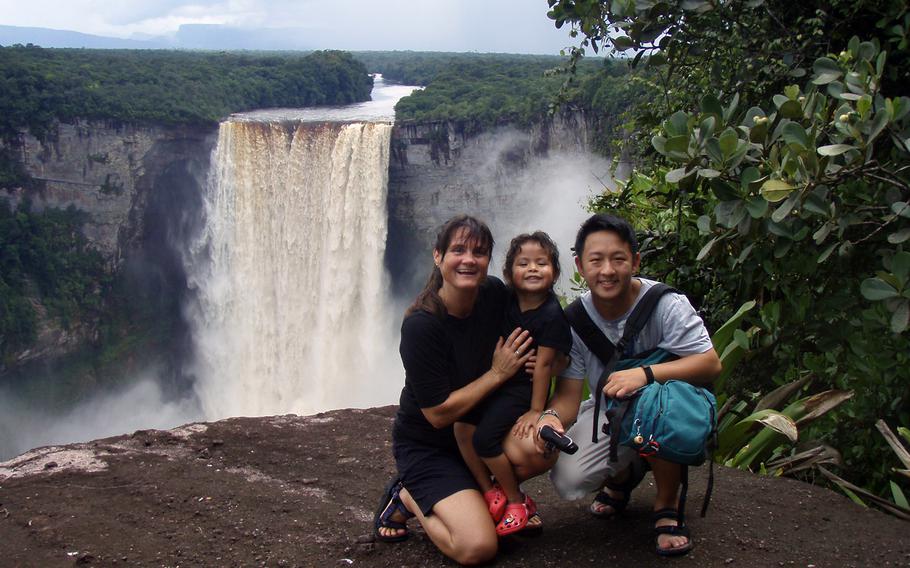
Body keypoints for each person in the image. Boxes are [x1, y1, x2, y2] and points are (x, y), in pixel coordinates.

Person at [504, 212, 722, 557]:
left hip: (669, 408)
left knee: (655, 409)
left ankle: (667, 504)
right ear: (579, 266)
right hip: (611, 413)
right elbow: (569, 397)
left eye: (618, 259)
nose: (607, 270)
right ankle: (625, 474)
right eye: (596, 260)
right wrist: (550, 417)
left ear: (634, 261)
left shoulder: (665, 305)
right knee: (568, 480)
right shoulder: (574, 320)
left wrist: (646, 374)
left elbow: (710, 363)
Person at [373, 215, 533, 565]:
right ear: (438, 256)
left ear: (489, 260)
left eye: (479, 252)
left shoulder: (493, 295)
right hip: (429, 446)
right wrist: (498, 373)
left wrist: (541, 358)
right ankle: (408, 496)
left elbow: (536, 320)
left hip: (477, 437)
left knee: (539, 447)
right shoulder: (421, 325)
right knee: (478, 547)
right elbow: (437, 414)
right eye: (458, 250)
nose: (468, 260)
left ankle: (489, 496)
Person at [453, 231, 572, 536]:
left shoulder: (551, 316)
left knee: (484, 441)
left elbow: (544, 365)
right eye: (524, 263)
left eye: (541, 263)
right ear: (509, 274)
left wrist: (535, 410)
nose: (533, 268)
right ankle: (489, 491)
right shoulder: (505, 298)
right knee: (462, 427)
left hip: (521, 390)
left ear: (555, 272)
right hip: (498, 382)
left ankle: (517, 501)